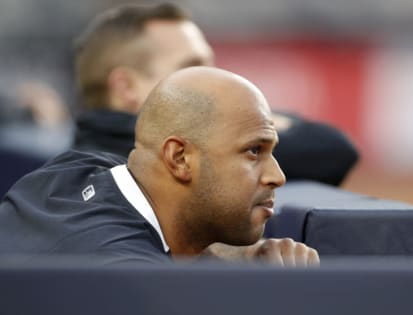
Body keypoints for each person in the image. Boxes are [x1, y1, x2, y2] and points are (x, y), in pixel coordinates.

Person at [0, 67, 320, 266]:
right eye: (254, 151)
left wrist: (235, 257)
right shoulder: (128, 280)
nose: (277, 176)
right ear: (179, 159)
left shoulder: (79, 167)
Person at [72, 2, 358, 186]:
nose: (213, 78)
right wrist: (263, 121)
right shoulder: (178, 154)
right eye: (191, 66)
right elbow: (332, 152)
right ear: (126, 87)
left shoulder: (81, 154)